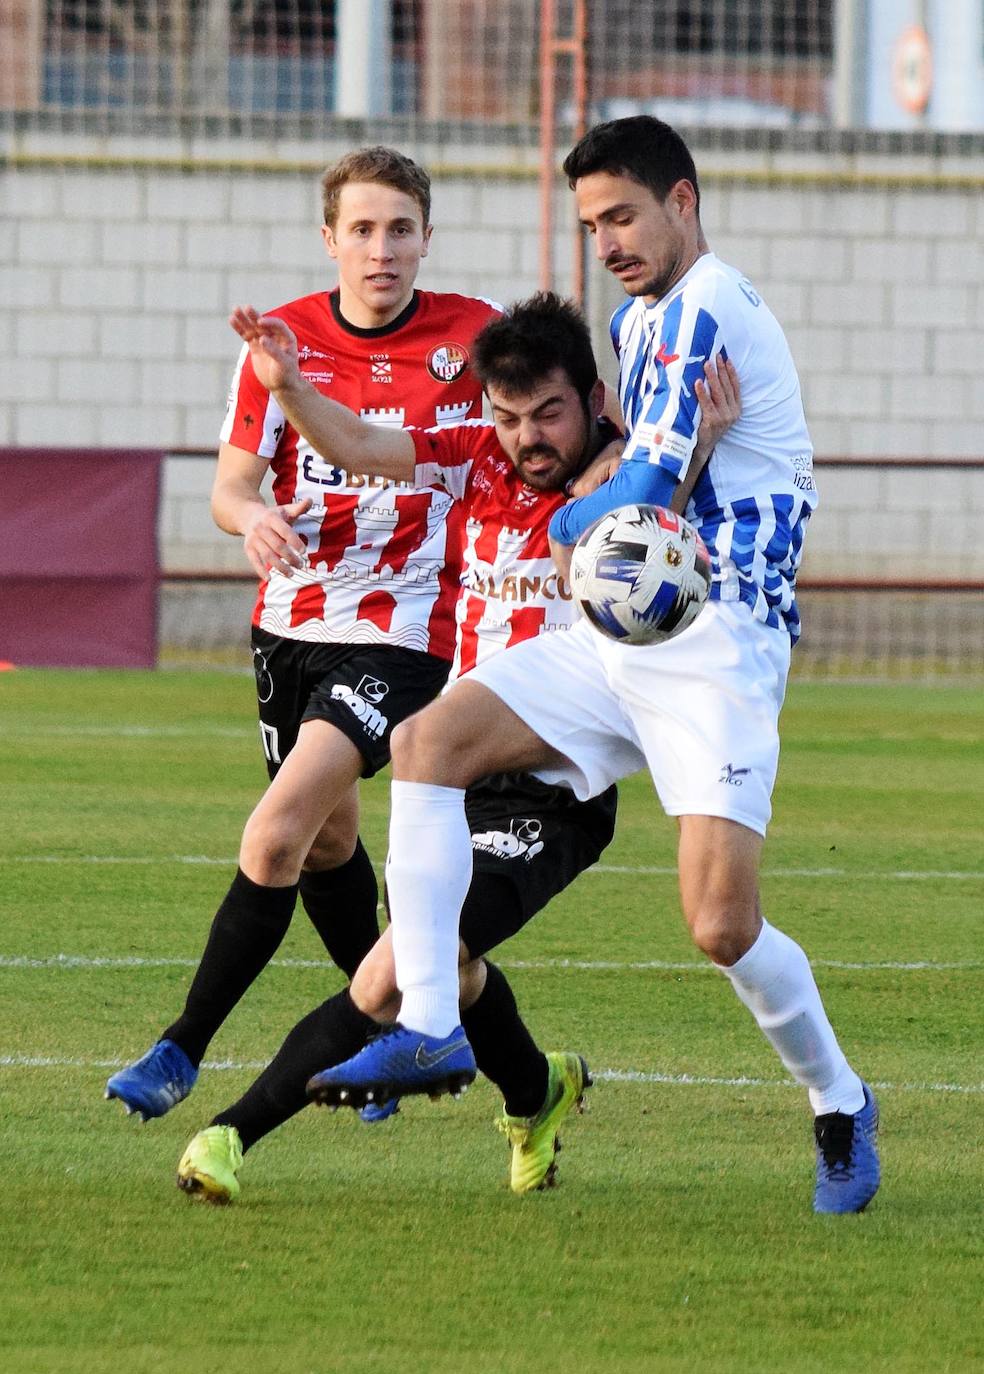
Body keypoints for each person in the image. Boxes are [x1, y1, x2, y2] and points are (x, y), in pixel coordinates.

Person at [306, 117, 881, 1216]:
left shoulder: (712, 303)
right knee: (430, 741)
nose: (607, 239)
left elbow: (633, 491)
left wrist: (591, 506)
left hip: (719, 640)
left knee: (720, 926)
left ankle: (841, 1100)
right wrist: (627, 488)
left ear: (684, 199)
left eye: (622, 214)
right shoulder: (637, 322)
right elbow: (636, 466)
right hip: (620, 627)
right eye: (591, 224)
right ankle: (431, 1024)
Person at [171, 291, 741, 1202]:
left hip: (556, 786)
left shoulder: (627, 480)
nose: (526, 437)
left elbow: (613, 557)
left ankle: (228, 1137)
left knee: (397, 972)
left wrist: (692, 450)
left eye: (548, 413)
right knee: (458, 968)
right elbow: (357, 444)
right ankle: (538, 1087)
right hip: (453, 779)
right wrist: (288, 389)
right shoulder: (472, 456)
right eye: (509, 416)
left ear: (593, 398)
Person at [105, 146, 503, 1121]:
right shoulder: (281, 343)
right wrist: (255, 520)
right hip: (290, 624)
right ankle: (400, 1032)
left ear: (426, 238)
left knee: (276, 833)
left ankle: (178, 1051)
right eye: (361, 230)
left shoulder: (473, 339)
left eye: (399, 229)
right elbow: (230, 488)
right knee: (328, 847)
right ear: (330, 240)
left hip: (410, 629)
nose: (381, 249)